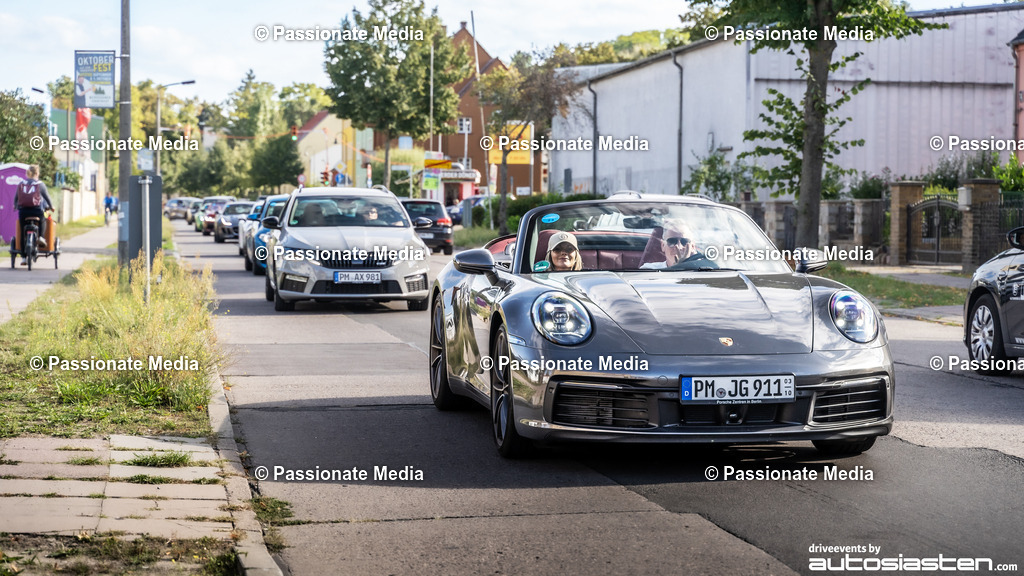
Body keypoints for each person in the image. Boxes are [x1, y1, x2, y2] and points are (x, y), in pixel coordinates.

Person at [15, 165, 54, 265]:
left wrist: (15, 206)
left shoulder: (21, 183)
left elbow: (16, 198)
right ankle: (41, 237)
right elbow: (47, 197)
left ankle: (23, 258)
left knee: (23, 233)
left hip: (23, 211)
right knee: (43, 220)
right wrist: (51, 207)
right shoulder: (40, 184)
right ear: (37, 173)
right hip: (36, 211)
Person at [640, 219, 707, 269]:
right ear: (663, 245)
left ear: (692, 246)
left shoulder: (702, 270)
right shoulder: (649, 270)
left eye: (684, 242)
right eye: (672, 241)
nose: (679, 246)